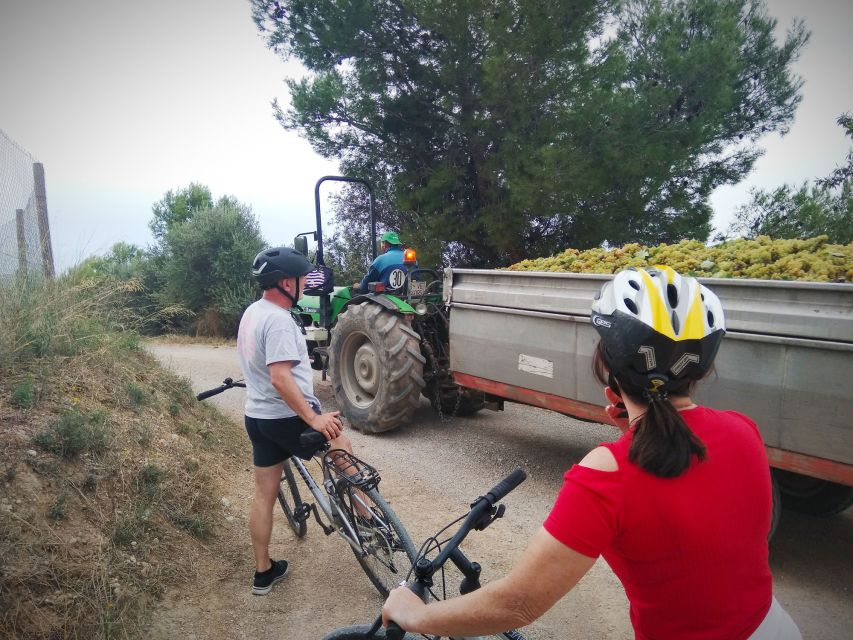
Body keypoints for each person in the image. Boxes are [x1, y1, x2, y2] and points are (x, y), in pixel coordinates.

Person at [382, 266, 801, 639]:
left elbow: (519, 605)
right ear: (701, 369)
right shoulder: (743, 431)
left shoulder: (607, 475)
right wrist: (643, 430)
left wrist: (417, 614)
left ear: (607, 367)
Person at [237, 246, 356, 596]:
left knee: (264, 496)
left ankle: (263, 573)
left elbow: (257, 365)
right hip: (287, 417)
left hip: (258, 418)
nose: (305, 284)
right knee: (338, 441)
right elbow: (280, 378)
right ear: (286, 282)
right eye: (302, 279)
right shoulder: (278, 321)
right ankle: (370, 518)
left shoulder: (252, 313)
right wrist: (314, 418)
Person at [352, 231, 416, 292]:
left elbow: (364, 287)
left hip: (387, 300)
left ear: (384, 244)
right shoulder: (411, 258)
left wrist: (359, 286)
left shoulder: (380, 260)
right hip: (411, 298)